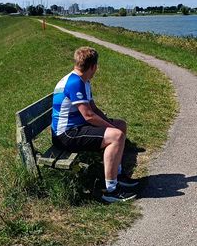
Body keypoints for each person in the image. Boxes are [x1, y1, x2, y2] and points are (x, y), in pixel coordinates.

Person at [51, 46, 139, 203]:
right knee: (116, 136)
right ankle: (111, 190)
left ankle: (118, 175)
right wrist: (110, 128)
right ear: (93, 66)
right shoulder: (74, 83)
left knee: (121, 125)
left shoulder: (84, 81)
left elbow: (93, 108)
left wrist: (110, 123)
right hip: (66, 134)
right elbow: (88, 115)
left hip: (77, 128)